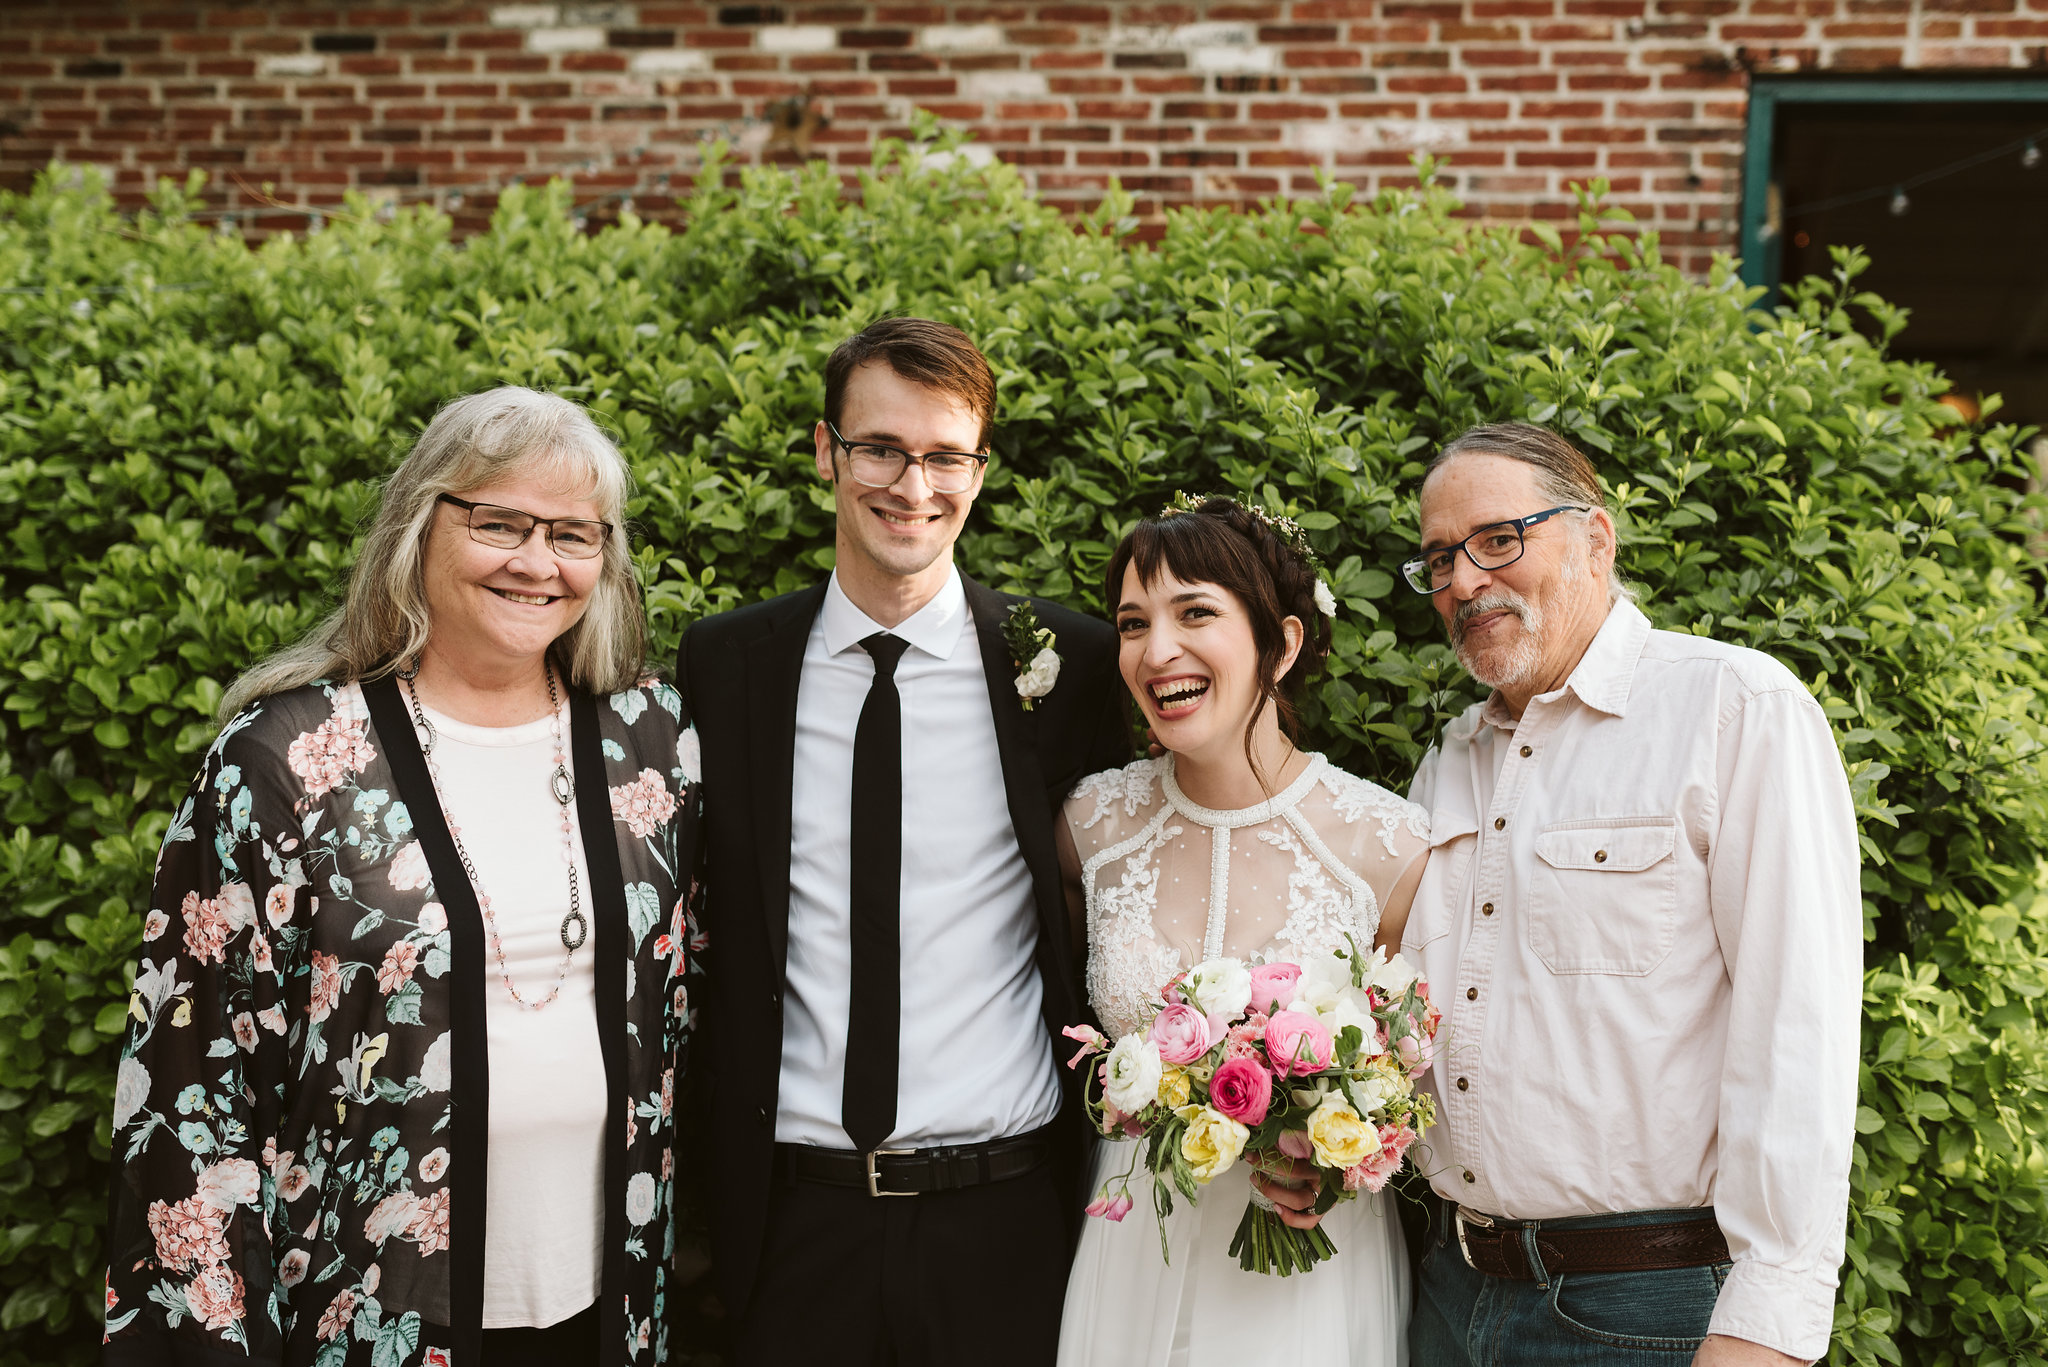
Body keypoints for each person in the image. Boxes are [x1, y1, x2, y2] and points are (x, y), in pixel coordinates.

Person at [103, 387, 699, 1367]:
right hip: (367, 1305)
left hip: (606, 1300)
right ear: (420, 524)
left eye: (572, 533)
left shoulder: (649, 741)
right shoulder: (285, 760)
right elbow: (192, 1083)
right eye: (498, 521)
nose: (537, 561)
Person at [674, 317, 1129, 1366]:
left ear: (980, 468)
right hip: (792, 1218)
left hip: (1005, 1216)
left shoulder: (1070, 666)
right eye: (878, 447)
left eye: (942, 455)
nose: (909, 483)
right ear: (824, 451)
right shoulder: (727, 663)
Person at [1399, 422, 1861, 1366]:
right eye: (1441, 558)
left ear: (1597, 540)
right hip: (1449, 1292)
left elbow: (1799, 1031)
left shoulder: (1734, 709)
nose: (1465, 581)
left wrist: (1766, 1329)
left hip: (1646, 1309)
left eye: (1498, 539)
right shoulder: (1449, 759)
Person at [1056, 495, 1431, 1367]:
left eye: (1195, 613)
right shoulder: (1091, 826)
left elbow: (1425, 1087)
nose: (1157, 652)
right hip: (1128, 1253)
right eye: (1132, 622)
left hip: (1304, 1277)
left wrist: (1346, 1153)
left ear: (1283, 643)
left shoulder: (1388, 847)